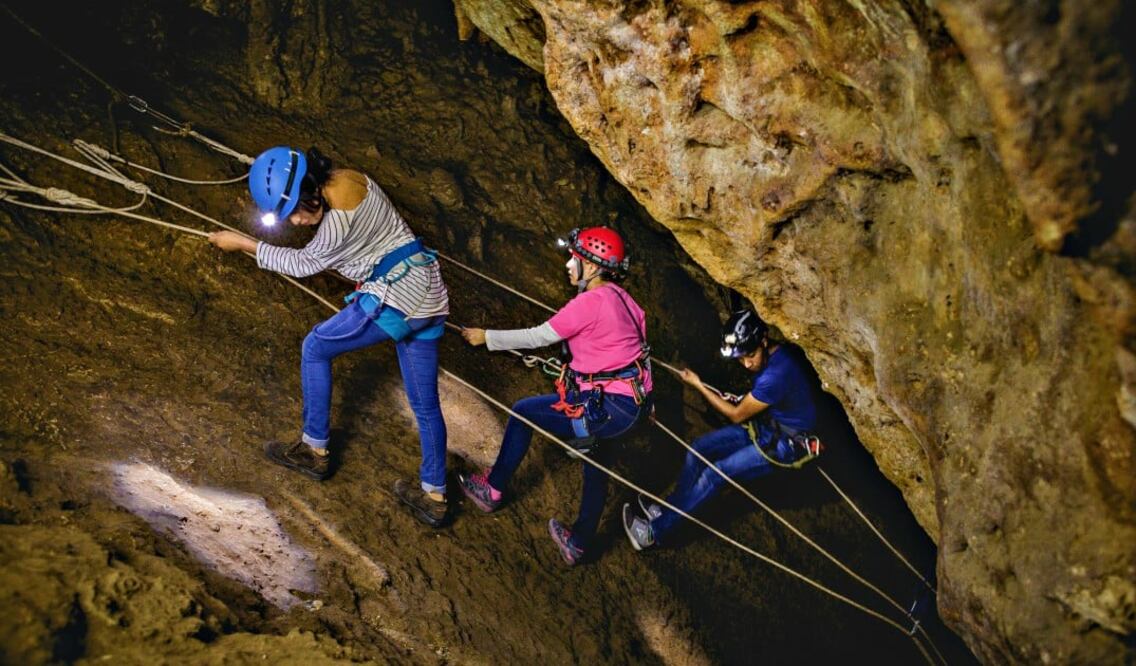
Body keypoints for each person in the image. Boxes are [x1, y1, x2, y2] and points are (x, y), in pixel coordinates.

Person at [208, 146, 452, 528]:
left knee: (315, 348)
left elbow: (302, 263)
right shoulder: (350, 178)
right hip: (430, 293)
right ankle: (434, 494)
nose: (300, 223)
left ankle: (313, 450)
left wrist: (242, 243)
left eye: (298, 214)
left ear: (310, 193)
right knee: (424, 404)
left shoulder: (334, 226)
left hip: (395, 296)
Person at [458, 226, 653, 565]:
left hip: (608, 407)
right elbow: (639, 355)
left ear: (591, 267)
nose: (567, 264)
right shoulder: (625, 299)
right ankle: (578, 543)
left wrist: (485, 337)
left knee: (522, 413)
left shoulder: (589, 303)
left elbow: (538, 337)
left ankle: (491, 489)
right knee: (596, 462)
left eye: (574, 258)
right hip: (631, 406)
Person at [622, 308, 821, 550]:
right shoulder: (776, 354)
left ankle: (653, 534)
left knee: (715, 474)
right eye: (741, 358)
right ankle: (667, 510)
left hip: (785, 444)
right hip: (768, 427)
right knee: (698, 449)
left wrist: (698, 385)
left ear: (764, 341)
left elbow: (736, 415)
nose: (747, 364)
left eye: (750, 355)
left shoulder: (775, 376)